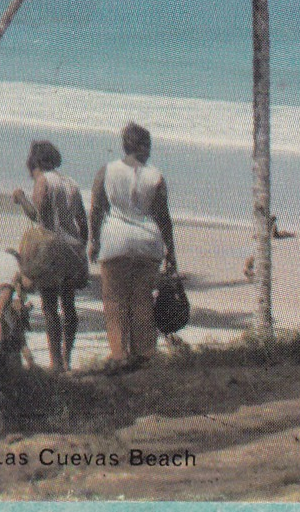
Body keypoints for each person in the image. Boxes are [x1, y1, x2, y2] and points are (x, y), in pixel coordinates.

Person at [90, 122, 177, 373]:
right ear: (142, 146)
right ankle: (144, 354)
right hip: (148, 242)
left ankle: (119, 354)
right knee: (142, 300)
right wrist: (171, 250)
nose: (150, 150)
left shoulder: (106, 171)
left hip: (115, 240)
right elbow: (163, 217)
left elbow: (96, 209)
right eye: (148, 145)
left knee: (114, 300)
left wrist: (94, 240)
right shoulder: (156, 177)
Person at [12, 139, 88, 372]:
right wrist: (81, 247)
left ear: (36, 161)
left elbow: (36, 215)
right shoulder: (71, 183)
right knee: (69, 305)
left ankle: (56, 363)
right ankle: (68, 357)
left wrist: (21, 197)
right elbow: (82, 221)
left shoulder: (43, 181)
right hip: (73, 247)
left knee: (50, 307)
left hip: (50, 248)